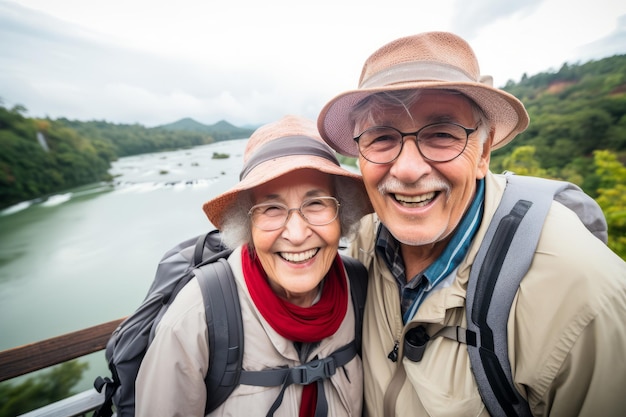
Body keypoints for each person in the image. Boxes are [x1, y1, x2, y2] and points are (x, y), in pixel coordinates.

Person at [316, 31, 626, 416]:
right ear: (360, 155)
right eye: (381, 137)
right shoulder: (365, 238)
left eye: (442, 135)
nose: (408, 170)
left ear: (483, 151)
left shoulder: (580, 291)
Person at [135, 115, 372, 416]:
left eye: (316, 203)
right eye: (271, 209)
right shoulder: (196, 319)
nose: (297, 235)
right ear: (246, 224)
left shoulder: (358, 288)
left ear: (342, 215)